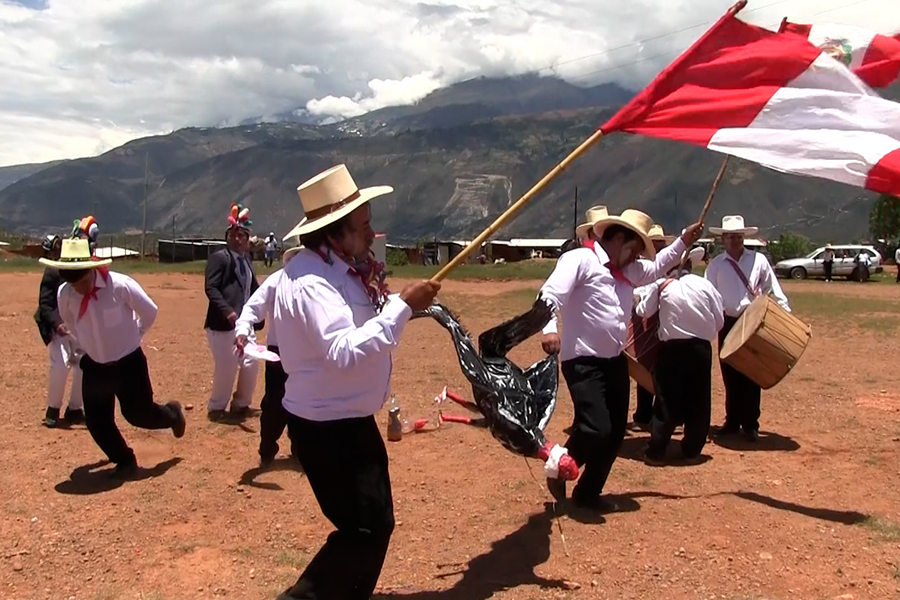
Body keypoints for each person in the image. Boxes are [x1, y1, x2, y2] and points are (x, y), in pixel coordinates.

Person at [272, 164, 440, 600]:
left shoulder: (339, 270)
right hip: (328, 427)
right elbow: (343, 350)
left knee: (373, 524)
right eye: (363, 226)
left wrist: (396, 307)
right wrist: (402, 307)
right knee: (366, 527)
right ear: (334, 232)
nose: (371, 234)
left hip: (347, 419)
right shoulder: (312, 282)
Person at [540, 208, 702, 511]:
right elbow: (551, 294)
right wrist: (549, 328)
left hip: (615, 361)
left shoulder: (628, 270)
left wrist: (684, 241)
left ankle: (588, 494)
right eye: (635, 249)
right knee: (596, 428)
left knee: (614, 435)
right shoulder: (579, 260)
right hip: (583, 361)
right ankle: (559, 464)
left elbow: (656, 269)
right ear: (617, 238)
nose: (637, 258)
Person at [46, 222, 186, 478]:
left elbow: (149, 311)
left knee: (139, 415)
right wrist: (88, 346)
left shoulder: (119, 286)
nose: (80, 287)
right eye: (72, 281)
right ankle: (124, 460)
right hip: (95, 366)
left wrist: (135, 335)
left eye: (83, 278)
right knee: (98, 423)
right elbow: (71, 321)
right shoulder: (65, 294)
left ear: (92, 267)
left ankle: (172, 415)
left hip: (128, 364)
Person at [633, 247, 724, 462]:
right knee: (699, 398)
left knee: (666, 399)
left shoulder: (662, 285)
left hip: (672, 349)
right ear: (690, 265)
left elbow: (643, 312)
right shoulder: (705, 285)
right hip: (701, 349)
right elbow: (719, 320)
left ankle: (656, 449)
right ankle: (692, 449)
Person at [705, 215, 790, 442]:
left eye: (738, 236)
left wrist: (786, 313)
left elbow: (773, 287)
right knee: (730, 374)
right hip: (728, 322)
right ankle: (732, 421)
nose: (734, 240)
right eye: (730, 236)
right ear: (722, 238)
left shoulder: (759, 261)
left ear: (743, 237)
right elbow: (708, 296)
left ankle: (751, 424)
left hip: (753, 321)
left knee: (752, 372)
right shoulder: (715, 266)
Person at [234, 243, 303, 468]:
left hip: (309, 354)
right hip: (279, 354)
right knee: (275, 402)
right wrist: (243, 331)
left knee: (306, 401)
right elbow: (252, 308)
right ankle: (267, 446)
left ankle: (301, 447)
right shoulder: (277, 280)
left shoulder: (319, 283)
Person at [203, 204, 262, 421]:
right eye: (234, 235)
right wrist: (228, 311)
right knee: (227, 366)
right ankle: (217, 408)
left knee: (251, 363)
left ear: (248, 240)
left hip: (243, 324)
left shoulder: (247, 261)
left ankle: (241, 404)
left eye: (242, 235)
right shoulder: (220, 258)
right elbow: (211, 287)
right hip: (222, 325)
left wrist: (262, 311)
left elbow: (254, 290)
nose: (238, 239)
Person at [34, 233, 85, 428]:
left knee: (83, 365)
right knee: (61, 365)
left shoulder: (81, 271)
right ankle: (53, 409)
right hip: (57, 327)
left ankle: (75, 409)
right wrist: (58, 324)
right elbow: (45, 305)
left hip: (77, 325)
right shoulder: (52, 273)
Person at [629, 223, 674, 430]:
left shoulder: (669, 266)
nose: (657, 246)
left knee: (664, 367)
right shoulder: (639, 267)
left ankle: (661, 414)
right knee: (644, 365)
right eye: (654, 243)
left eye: (660, 243)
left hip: (665, 320)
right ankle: (643, 414)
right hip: (642, 319)